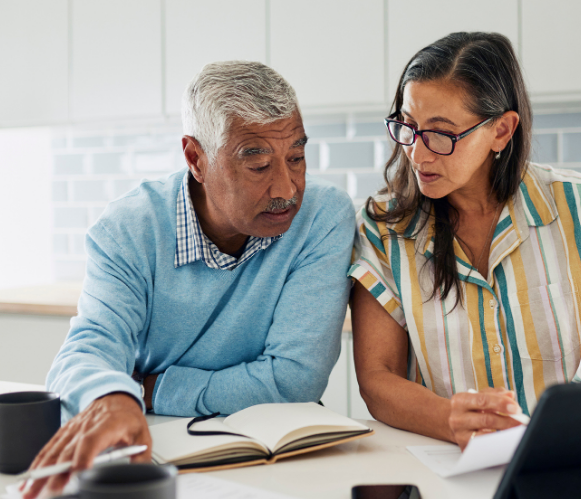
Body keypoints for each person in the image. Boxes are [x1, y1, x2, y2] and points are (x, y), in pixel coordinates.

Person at [21, 61, 355, 498]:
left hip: (279, 457)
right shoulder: (129, 228)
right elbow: (88, 351)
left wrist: (152, 389)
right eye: (257, 165)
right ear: (196, 158)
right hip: (154, 453)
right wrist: (113, 398)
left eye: (296, 157)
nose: (287, 189)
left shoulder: (322, 216)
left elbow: (293, 380)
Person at [348, 32, 581, 451]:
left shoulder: (580, 205)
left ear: (501, 131)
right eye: (408, 127)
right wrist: (449, 421)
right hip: (445, 456)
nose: (418, 153)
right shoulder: (382, 229)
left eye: (441, 133)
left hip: (560, 450)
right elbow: (378, 378)